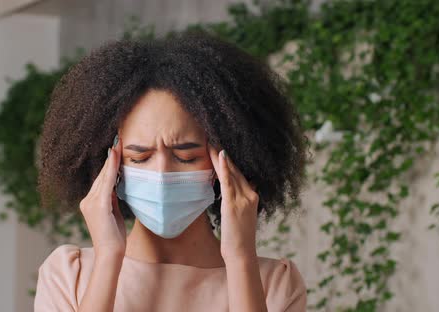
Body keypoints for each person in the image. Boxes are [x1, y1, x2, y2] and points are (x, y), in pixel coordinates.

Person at [34, 29, 309, 312]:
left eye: (186, 156)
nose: (162, 173)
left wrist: (240, 259)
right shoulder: (69, 276)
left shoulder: (275, 285)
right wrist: (108, 258)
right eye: (139, 158)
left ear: (228, 161)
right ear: (110, 166)